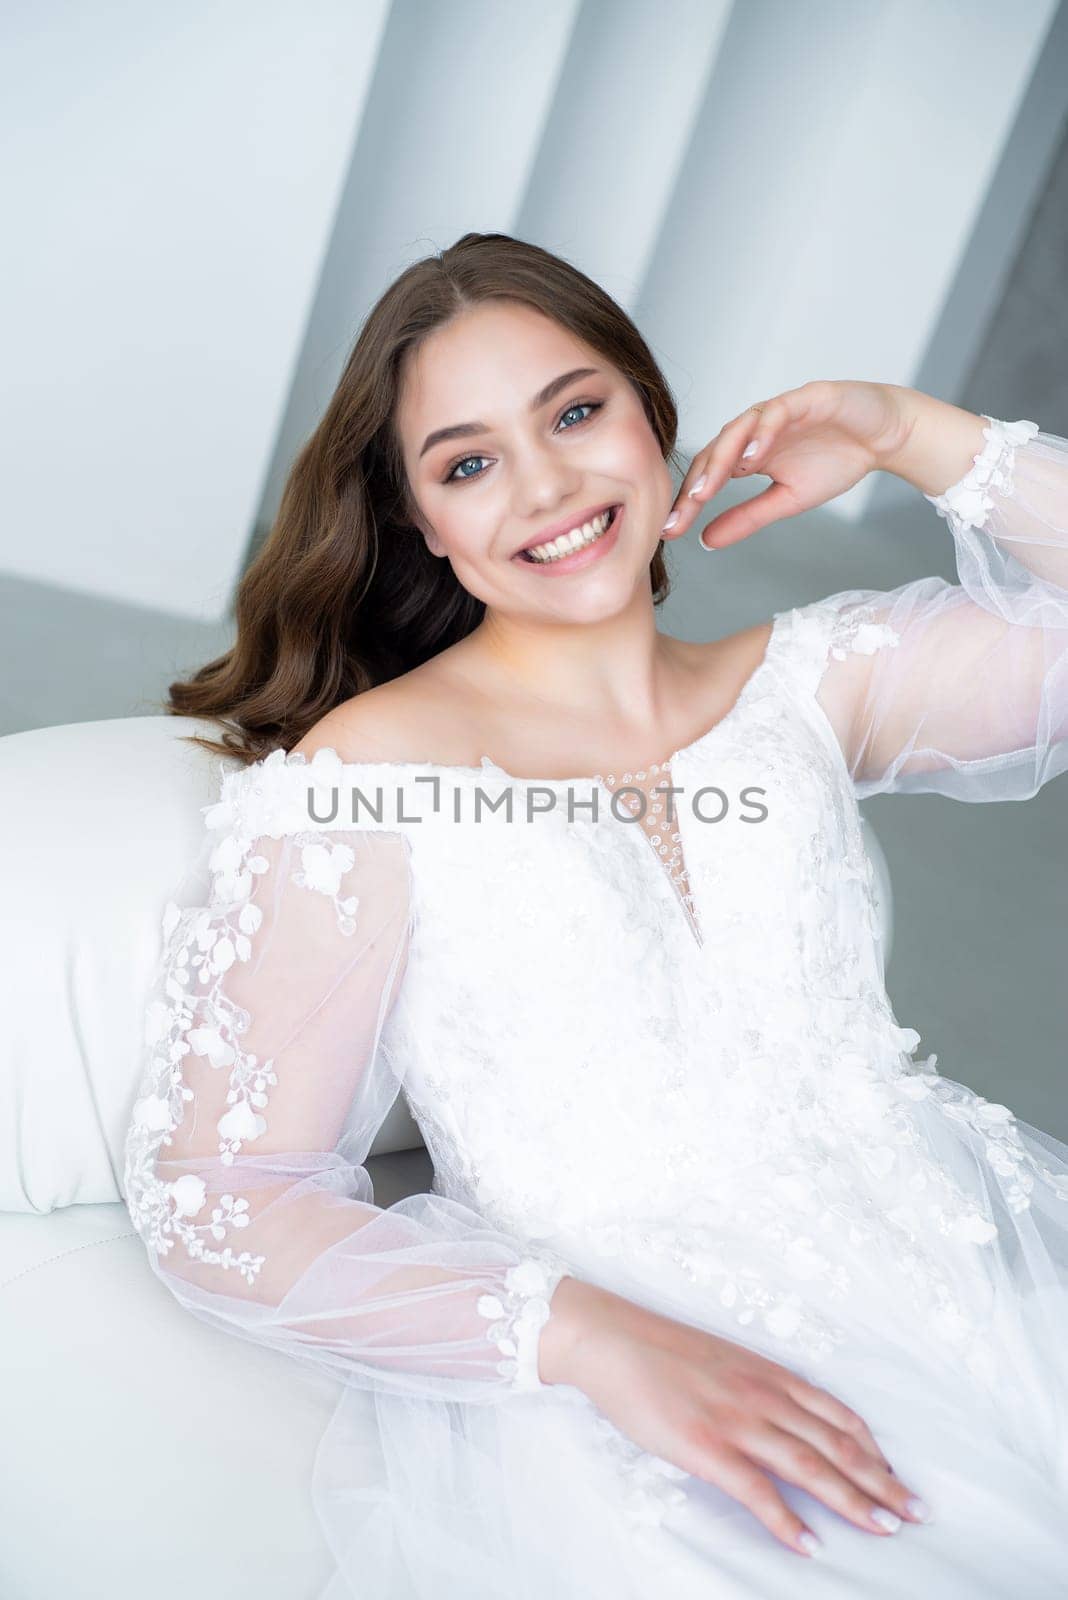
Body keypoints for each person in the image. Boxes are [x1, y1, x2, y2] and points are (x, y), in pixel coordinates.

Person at [124, 232, 1068, 1598]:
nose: (551, 484)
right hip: (644, 1360)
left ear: (653, 417)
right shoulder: (364, 780)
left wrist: (903, 427)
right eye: (468, 461)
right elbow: (222, 1196)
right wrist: (593, 1343)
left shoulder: (811, 685)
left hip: (969, 1270)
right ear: (420, 524)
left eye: (576, 411)